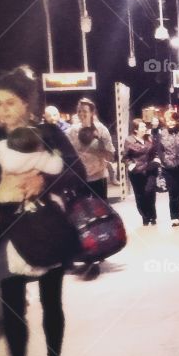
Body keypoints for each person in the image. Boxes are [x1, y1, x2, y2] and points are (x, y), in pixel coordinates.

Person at [0, 66, 85, 356]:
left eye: (10, 103)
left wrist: (44, 183)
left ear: (28, 104)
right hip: (8, 232)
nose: (2, 111)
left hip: (46, 228)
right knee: (12, 307)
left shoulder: (49, 134)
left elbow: (76, 169)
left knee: (52, 302)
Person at [68, 98, 115, 276]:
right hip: (78, 179)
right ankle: (85, 250)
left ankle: (101, 248)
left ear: (92, 112)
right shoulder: (72, 131)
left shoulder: (101, 129)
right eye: (79, 111)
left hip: (97, 178)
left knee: (99, 216)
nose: (81, 114)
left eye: (85, 111)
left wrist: (95, 146)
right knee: (80, 216)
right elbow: (67, 154)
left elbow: (110, 155)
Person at [124, 118, 158, 225]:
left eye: (144, 126)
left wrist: (156, 159)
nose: (145, 128)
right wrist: (130, 165)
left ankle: (152, 216)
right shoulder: (129, 140)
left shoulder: (150, 138)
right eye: (142, 127)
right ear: (136, 130)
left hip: (150, 170)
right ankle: (145, 217)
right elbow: (125, 157)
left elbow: (155, 152)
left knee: (150, 192)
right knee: (140, 195)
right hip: (136, 172)